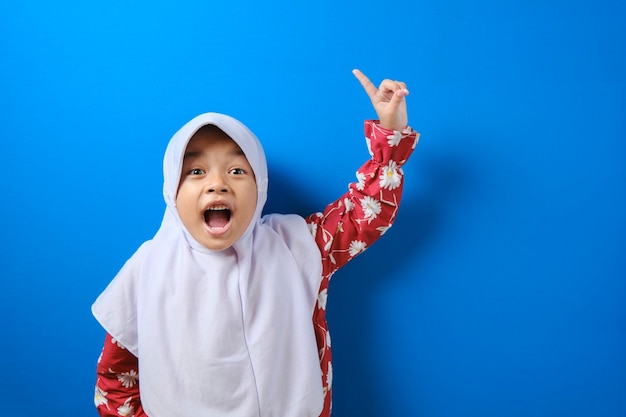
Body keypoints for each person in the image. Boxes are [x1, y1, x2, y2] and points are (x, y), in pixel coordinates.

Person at [92, 69, 420, 417]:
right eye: (196, 172)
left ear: (260, 186)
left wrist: (391, 137)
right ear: (172, 191)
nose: (217, 184)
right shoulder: (147, 269)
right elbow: (115, 378)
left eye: (236, 171)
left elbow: (363, 216)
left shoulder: (297, 246)